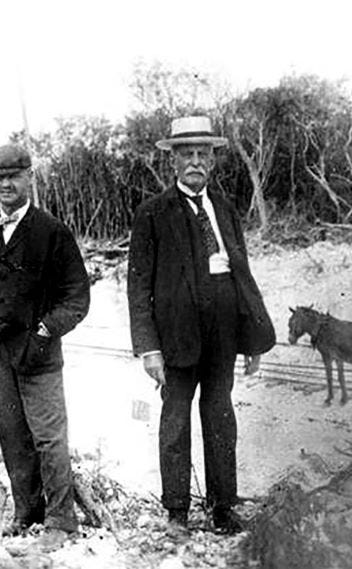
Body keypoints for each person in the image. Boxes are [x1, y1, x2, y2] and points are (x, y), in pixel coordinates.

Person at [127, 116, 274, 535]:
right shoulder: (152, 214)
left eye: (202, 153)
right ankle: (176, 512)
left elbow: (243, 278)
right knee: (175, 419)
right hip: (176, 335)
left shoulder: (224, 210)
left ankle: (223, 507)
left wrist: (252, 339)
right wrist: (148, 347)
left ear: (212, 160)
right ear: (172, 161)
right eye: (186, 154)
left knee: (220, 415)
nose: (195, 161)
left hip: (224, 327)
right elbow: (138, 286)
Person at [0, 143, 90, 551]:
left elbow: (77, 297)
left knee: (49, 437)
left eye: (14, 176)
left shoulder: (52, 231)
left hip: (40, 355)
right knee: (13, 436)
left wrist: (47, 330)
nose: (6, 184)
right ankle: (25, 512)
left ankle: (62, 521)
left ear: (29, 177)